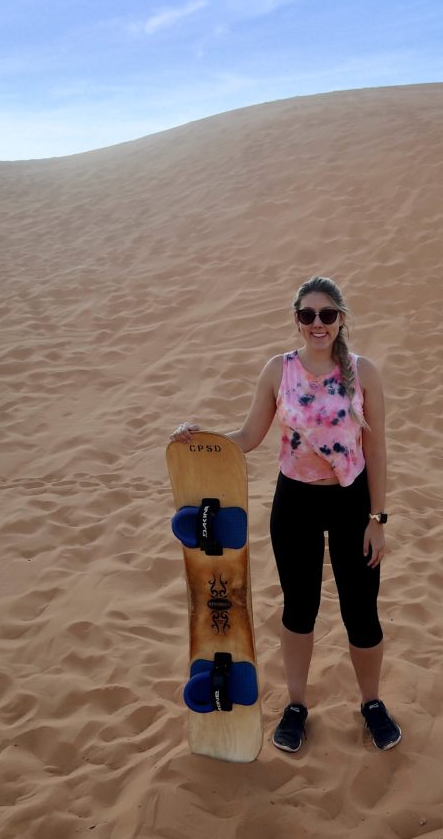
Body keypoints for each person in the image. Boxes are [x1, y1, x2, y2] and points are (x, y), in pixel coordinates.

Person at [170, 275, 401, 753]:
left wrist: (377, 520)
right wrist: (201, 438)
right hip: (294, 502)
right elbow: (249, 436)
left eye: (327, 315)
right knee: (300, 609)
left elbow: (376, 452)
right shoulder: (279, 370)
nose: (318, 324)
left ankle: (372, 704)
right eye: (307, 315)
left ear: (340, 320)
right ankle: (297, 706)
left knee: (361, 612)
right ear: (297, 321)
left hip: (350, 501)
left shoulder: (365, 372)